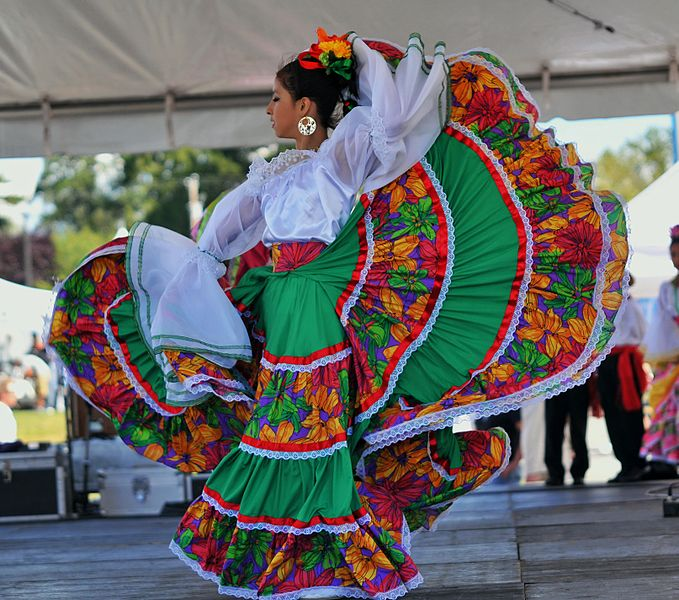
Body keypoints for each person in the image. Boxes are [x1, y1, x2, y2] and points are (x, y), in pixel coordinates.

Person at [46, 30, 630, 599]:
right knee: (291, 428)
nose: (267, 110)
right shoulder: (271, 174)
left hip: (314, 311)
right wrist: (179, 281)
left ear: (304, 108)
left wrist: (350, 57)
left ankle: (331, 556)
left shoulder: (339, 158)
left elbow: (394, 120)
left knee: (305, 430)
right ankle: (317, 557)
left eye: (277, 98)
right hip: (277, 305)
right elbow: (217, 240)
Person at [596, 275, 648, 483]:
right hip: (608, 361)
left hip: (624, 360)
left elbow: (641, 332)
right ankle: (625, 463)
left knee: (629, 412)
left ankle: (635, 462)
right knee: (612, 413)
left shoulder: (627, 300)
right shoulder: (599, 301)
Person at [639, 226, 679, 479]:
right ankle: (667, 458)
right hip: (674, 357)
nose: (677, 259)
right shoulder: (667, 289)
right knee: (668, 406)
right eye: (674, 254)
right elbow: (664, 323)